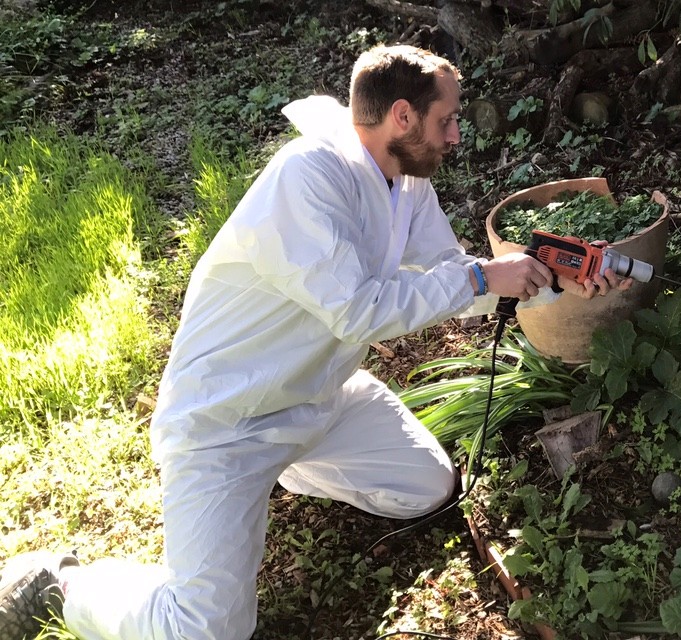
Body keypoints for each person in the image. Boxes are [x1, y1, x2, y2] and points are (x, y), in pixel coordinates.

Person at [0, 44, 631, 640]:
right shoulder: (307, 178)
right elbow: (360, 312)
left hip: (324, 397)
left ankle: (291, 469)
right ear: (402, 115)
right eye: (447, 120)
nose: (456, 136)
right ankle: (58, 584)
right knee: (207, 628)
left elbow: (455, 277)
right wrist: (477, 277)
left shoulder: (406, 184)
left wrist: (547, 278)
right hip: (227, 418)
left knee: (428, 488)